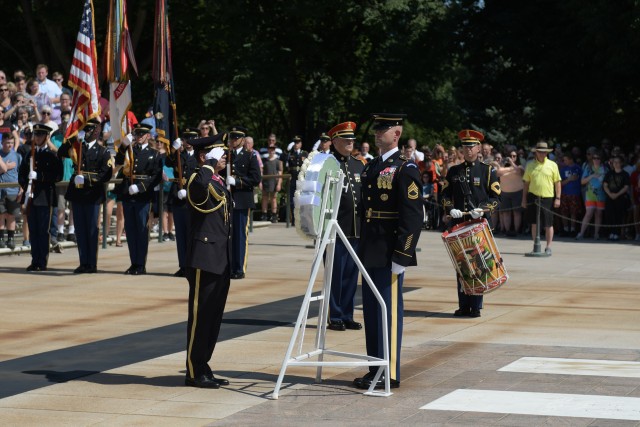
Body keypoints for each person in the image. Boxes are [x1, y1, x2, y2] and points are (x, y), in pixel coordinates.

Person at [353, 113, 423, 390]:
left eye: (383, 129)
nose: (377, 133)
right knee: (371, 311)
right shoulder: (372, 167)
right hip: (371, 247)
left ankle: (390, 371)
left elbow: (413, 217)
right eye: (376, 129)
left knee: (389, 311)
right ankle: (375, 368)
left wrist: (403, 256)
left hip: (390, 251)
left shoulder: (405, 168)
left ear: (396, 133)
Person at [184, 133, 231, 389]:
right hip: (204, 257)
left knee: (213, 317)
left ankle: (204, 365)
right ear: (204, 156)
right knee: (200, 316)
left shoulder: (217, 179)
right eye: (218, 153)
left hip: (220, 257)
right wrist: (208, 164)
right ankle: (193, 370)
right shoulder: (197, 178)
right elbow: (199, 189)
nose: (223, 156)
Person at [441, 130, 500, 317]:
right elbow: (444, 194)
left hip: (478, 224)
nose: (468, 149)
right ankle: (464, 304)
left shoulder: (487, 170)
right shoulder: (453, 171)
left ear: (479, 148)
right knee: (461, 265)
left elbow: (496, 196)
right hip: (460, 223)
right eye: (465, 146)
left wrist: (482, 209)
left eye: (471, 146)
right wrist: (450, 209)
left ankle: (475, 305)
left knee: (477, 263)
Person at [58, 118, 112, 273]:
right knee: (80, 230)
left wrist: (88, 179)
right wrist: (72, 138)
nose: (86, 132)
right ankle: (83, 262)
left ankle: (91, 263)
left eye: (89, 129)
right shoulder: (77, 147)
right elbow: (61, 152)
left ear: (96, 131)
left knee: (91, 229)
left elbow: (105, 174)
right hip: (77, 193)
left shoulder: (103, 151)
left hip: (92, 194)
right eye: (84, 129)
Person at [325, 121, 364, 332]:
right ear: (335, 141)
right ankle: (336, 315)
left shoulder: (359, 165)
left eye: (352, 140)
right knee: (336, 275)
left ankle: (348, 314)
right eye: (346, 139)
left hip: (356, 229)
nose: (350, 143)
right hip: (335, 230)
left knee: (351, 275)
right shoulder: (328, 165)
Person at [115, 123, 163, 275]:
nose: (139, 137)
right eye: (137, 134)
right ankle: (133, 263)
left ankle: (141, 264)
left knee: (142, 231)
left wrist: (140, 187)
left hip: (143, 196)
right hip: (129, 195)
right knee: (130, 230)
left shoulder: (154, 154)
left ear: (148, 136)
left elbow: (155, 177)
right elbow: (118, 161)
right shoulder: (129, 150)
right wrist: (123, 145)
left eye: (142, 134)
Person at [18, 123, 63, 271]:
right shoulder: (29, 154)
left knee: (43, 230)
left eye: (40, 135)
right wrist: (26, 184)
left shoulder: (52, 155)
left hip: (44, 197)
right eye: (35, 135)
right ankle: (34, 259)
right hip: (31, 197)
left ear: (46, 136)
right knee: (33, 229)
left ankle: (42, 261)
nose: (37, 137)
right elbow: (21, 175)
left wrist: (41, 176)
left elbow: (58, 176)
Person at [227, 126, 261, 280]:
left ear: (242, 140)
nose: (233, 141)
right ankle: (229, 266)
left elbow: (255, 179)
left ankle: (239, 268)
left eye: (236, 138)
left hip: (242, 200)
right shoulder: (226, 156)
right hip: (228, 200)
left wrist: (237, 181)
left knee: (240, 235)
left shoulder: (250, 156)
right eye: (232, 138)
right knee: (228, 235)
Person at [166, 128, 199, 277]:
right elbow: (166, 161)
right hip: (178, 199)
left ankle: (193, 266)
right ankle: (183, 265)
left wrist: (189, 191)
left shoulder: (200, 157)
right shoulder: (178, 155)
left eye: (191, 139)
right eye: (186, 140)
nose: (188, 143)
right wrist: (173, 148)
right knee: (180, 235)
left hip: (193, 200)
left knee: (192, 235)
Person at [521, 141, 561, 255]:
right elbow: (526, 184)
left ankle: (548, 246)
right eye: (540, 152)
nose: (542, 154)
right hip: (533, 196)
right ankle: (536, 245)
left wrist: (558, 198)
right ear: (536, 153)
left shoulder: (552, 165)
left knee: (548, 223)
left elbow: (557, 182)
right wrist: (523, 199)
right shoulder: (530, 165)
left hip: (547, 197)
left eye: (544, 152)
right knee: (534, 223)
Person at [576, 151, 606, 240]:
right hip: (590, 194)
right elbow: (582, 181)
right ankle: (581, 233)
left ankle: (596, 234)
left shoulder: (605, 169)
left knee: (599, 214)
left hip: (601, 195)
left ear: (601, 159)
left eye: (598, 158)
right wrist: (592, 176)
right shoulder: (588, 168)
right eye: (594, 158)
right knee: (589, 213)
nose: (596, 160)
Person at [494, 149, 524, 236]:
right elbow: (498, 173)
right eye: (510, 156)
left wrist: (512, 164)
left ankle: (516, 231)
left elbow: (519, 171)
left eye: (514, 156)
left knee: (516, 212)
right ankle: (507, 231)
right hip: (504, 192)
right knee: (506, 212)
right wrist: (511, 169)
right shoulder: (502, 167)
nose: (512, 157)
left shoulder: (520, 166)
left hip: (518, 192)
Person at [0, 132, 22, 249]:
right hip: (1, 190)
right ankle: (1, 238)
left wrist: (21, 189)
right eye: (7, 142)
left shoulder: (17, 156)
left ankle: (11, 238)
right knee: (1, 215)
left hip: (13, 190)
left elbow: (22, 174)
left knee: (11, 215)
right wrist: (6, 167)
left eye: (12, 143)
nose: (9, 145)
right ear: (2, 142)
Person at [603, 155, 630, 241]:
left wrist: (617, 194)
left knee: (618, 216)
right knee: (609, 215)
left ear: (621, 163)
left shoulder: (625, 174)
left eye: (618, 162)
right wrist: (610, 194)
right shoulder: (609, 173)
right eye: (614, 162)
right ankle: (611, 232)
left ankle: (616, 233)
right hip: (609, 197)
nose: (616, 164)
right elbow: (605, 185)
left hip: (620, 198)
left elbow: (626, 187)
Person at [559, 154, 583, 236]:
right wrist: (569, 179)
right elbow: (560, 183)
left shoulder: (578, 168)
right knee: (564, 212)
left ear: (571, 159)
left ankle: (573, 230)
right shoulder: (562, 170)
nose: (564, 162)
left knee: (574, 212)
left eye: (565, 160)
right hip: (564, 193)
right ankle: (565, 229)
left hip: (575, 193)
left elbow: (582, 181)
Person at [285, 136, 307, 225]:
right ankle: (294, 219)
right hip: (293, 178)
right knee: (292, 199)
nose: (296, 144)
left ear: (301, 144)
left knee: (301, 198)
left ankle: (301, 219)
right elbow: (283, 158)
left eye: (298, 142)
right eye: (295, 142)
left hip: (301, 178)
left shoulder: (304, 153)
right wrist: (287, 150)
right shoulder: (290, 154)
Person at [260, 140, 282, 222]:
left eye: (273, 149)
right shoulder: (264, 160)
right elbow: (261, 172)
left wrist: (279, 184)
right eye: (270, 148)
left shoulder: (278, 161)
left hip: (274, 182)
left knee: (274, 198)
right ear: (268, 149)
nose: (271, 150)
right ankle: (264, 214)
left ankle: (274, 215)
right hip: (265, 182)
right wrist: (260, 182)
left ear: (275, 150)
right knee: (264, 198)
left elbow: (280, 174)